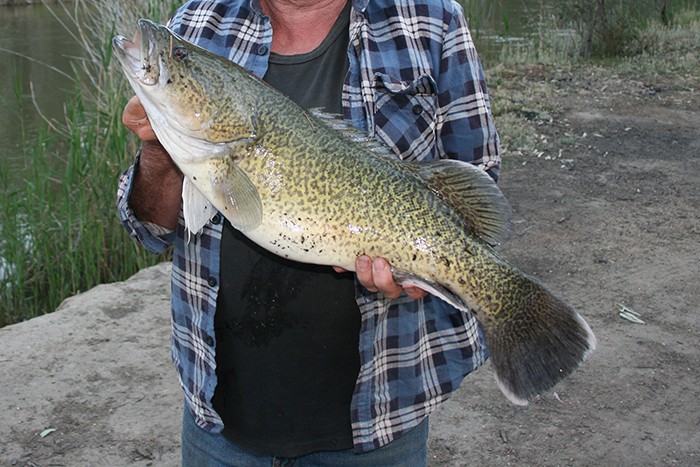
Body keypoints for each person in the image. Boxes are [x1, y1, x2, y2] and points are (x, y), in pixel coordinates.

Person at [117, 0, 500, 465]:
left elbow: (477, 185)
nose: (172, 56)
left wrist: (420, 268)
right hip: (218, 420)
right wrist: (159, 146)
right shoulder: (196, 21)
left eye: (180, 58)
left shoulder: (434, 21)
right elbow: (151, 229)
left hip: (381, 419)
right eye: (178, 57)